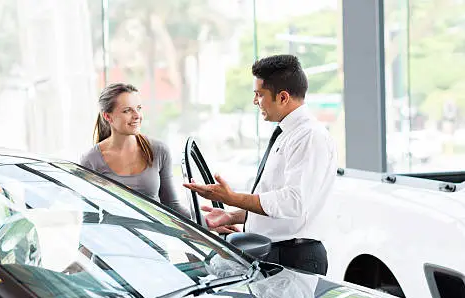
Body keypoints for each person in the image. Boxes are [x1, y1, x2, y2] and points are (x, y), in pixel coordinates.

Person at [183, 54, 337, 275]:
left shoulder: (309, 136)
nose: (256, 101)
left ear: (283, 97)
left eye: (259, 95)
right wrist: (233, 215)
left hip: (294, 256)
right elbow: (274, 203)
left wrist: (232, 197)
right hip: (275, 252)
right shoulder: (287, 133)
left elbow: (294, 202)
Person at [80, 83, 190, 217]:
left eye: (138, 108)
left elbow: (172, 206)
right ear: (108, 117)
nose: (137, 115)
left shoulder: (159, 150)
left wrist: (205, 222)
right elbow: (89, 216)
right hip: (116, 236)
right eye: (127, 110)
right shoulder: (91, 160)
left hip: (156, 236)